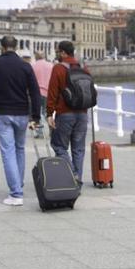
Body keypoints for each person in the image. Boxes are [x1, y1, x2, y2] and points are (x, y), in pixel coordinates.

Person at [0, 35, 41, 206]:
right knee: (19, 149)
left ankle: (16, 193)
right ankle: (17, 184)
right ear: (16, 47)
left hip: (2, 113)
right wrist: (35, 116)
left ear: (2, 47)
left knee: (8, 152)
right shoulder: (25, 66)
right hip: (21, 113)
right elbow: (34, 92)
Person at [46, 41, 89, 183]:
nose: (57, 54)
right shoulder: (83, 67)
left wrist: (49, 113)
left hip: (65, 113)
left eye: (58, 51)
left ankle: (72, 174)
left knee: (58, 145)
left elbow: (52, 92)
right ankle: (78, 183)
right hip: (82, 114)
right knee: (79, 149)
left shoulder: (58, 68)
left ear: (63, 53)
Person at [32, 51, 53, 139]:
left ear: (36, 57)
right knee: (46, 112)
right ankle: (51, 128)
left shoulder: (32, 65)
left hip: (36, 92)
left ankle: (39, 132)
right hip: (48, 92)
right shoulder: (51, 66)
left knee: (37, 112)